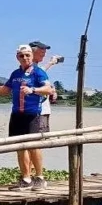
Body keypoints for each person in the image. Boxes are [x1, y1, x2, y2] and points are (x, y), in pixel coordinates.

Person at [0, 45, 54, 191]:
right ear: (17, 57)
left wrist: (33, 89)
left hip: (32, 114)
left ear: (32, 56)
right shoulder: (15, 74)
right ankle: (26, 179)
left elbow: (49, 89)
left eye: (28, 55)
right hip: (16, 115)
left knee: (33, 146)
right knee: (19, 147)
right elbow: (4, 90)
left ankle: (40, 177)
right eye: (22, 56)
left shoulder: (38, 73)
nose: (25, 58)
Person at [27, 40, 62, 189]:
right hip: (35, 111)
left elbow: (43, 74)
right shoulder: (29, 68)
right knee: (32, 144)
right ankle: (31, 175)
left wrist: (51, 89)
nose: (44, 53)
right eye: (41, 51)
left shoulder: (37, 69)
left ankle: (33, 175)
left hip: (40, 111)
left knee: (34, 144)